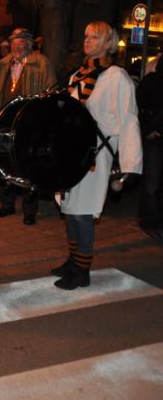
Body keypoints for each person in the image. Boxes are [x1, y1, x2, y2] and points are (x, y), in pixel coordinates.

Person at [52, 21, 142, 290]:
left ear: (107, 44)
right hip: (74, 150)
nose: (87, 40)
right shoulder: (79, 75)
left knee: (83, 212)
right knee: (69, 209)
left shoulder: (117, 76)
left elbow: (129, 119)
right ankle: (73, 260)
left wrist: (129, 164)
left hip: (96, 154)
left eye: (94, 37)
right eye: (86, 35)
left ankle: (82, 270)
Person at [0, 27, 57, 225]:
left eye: (21, 43)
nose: (16, 47)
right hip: (4, 121)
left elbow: (51, 92)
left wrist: (42, 120)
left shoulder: (42, 63)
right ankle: (7, 204)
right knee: (4, 162)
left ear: (29, 44)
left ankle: (29, 210)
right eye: (13, 43)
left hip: (30, 122)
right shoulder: (2, 64)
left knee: (28, 165)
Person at [136, 55, 163, 238]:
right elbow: (136, 107)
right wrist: (147, 130)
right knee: (152, 183)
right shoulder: (151, 81)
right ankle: (150, 221)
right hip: (154, 140)